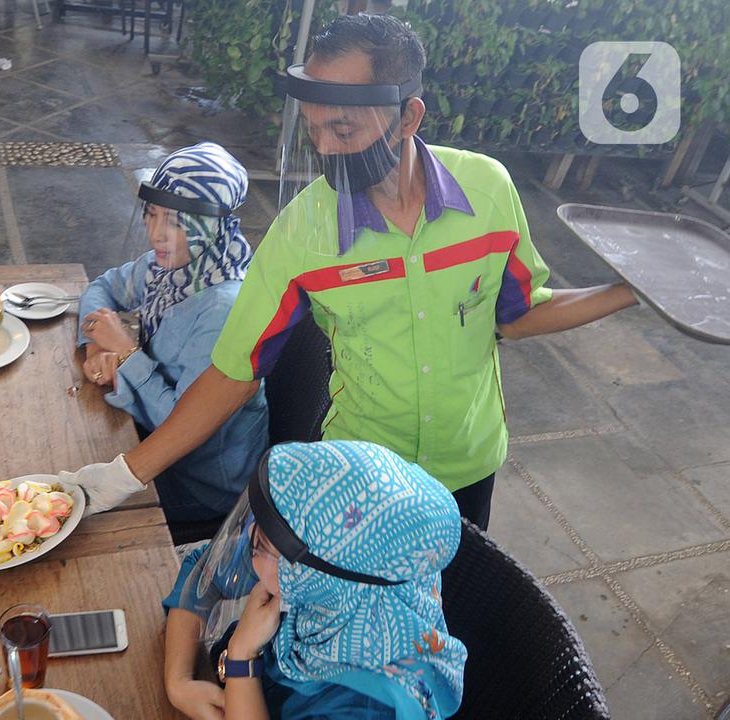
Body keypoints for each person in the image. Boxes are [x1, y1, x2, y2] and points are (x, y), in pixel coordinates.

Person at [62, 14, 640, 529]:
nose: (326, 149)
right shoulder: (302, 232)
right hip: (360, 477)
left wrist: (629, 290)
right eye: (314, 130)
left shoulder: (488, 190)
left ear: (408, 116)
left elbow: (516, 313)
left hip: (470, 465)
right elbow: (233, 373)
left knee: (448, 623)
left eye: (344, 130)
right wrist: (121, 477)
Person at [163, 441, 466, 720]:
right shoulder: (325, 570)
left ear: (322, 576)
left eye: (263, 545)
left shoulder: (373, 707)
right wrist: (179, 682)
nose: (249, 548)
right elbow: (204, 568)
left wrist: (242, 657)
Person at [76, 142, 268, 527]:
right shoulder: (169, 267)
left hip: (203, 486)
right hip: (146, 436)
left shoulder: (222, 310)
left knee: (78, 512)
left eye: (177, 223)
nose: (157, 235)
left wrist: (127, 351)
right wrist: (97, 347)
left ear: (213, 225)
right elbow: (102, 286)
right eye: (151, 215)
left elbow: (182, 427)